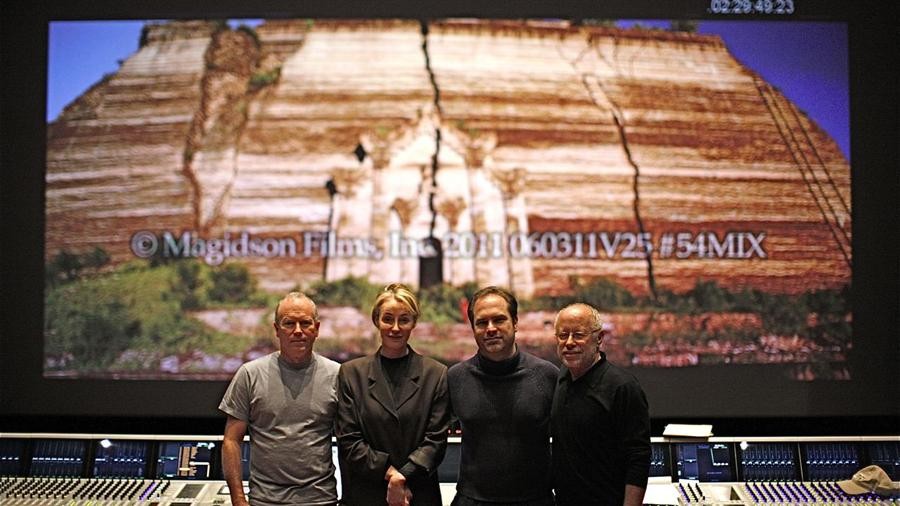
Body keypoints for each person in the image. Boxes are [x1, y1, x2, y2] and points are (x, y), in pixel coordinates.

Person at [219, 292, 340, 506]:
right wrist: (238, 499)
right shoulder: (250, 375)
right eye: (289, 323)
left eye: (305, 323)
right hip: (264, 500)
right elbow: (231, 441)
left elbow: (351, 442)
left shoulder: (337, 375)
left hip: (320, 499)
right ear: (276, 330)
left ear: (317, 329)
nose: (298, 331)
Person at [336, 283, 451, 506]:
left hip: (418, 495)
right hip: (366, 496)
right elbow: (349, 440)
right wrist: (391, 475)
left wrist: (402, 477)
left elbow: (436, 441)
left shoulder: (436, 374)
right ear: (376, 321)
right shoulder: (351, 373)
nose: (395, 328)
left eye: (404, 320)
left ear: (414, 323)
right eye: (388, 319)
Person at [447, 286, 558, 506]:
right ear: (473, 328)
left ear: (515, 322)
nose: (491, 329)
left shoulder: (547, 376)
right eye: (482, 322)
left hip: (536, 500)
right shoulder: (455, 378)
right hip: (472, 501)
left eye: (499, 320)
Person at [551, 303, 651, 506]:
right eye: (563, 335)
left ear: (599, 338)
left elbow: (638, 457)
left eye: (578, 335)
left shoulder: (623, 387)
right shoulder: (562, 377)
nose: (569, 342)